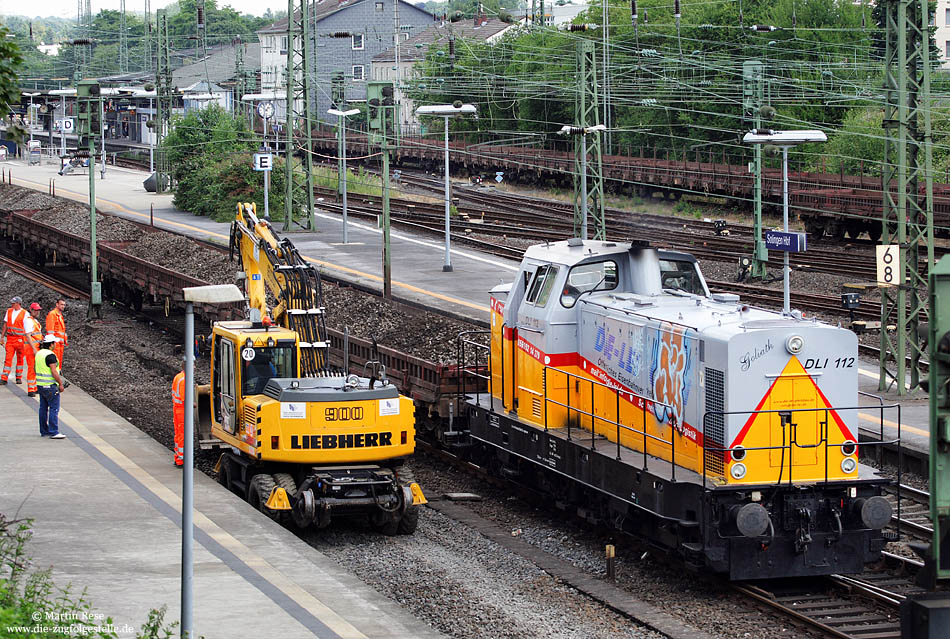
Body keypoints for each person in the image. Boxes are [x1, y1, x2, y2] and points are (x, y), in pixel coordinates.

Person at [35, 334, 66, 439]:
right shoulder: (50, 355)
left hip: (40, 385)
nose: (55, 345)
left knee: (43, 408)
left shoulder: (39, 354)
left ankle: (44, 430)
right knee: (54, 408)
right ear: (51, 344)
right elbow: (53, 371)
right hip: (50, 386)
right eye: (54, 343)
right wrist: (60, 384)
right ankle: (54, 431)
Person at [1, 296, 27, 385]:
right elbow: (5, 325)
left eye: (13, 303)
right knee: (8, 359)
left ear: (18, 303)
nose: (12, 304)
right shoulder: (9, 311)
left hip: (20, 340)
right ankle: (4, 378)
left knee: (20, 359)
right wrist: (2, 337)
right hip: (10, 339)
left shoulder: (25, 313)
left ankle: (18, 377)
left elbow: (27, 328)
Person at [23, 303, 44, 397]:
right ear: (31, 310)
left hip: (36, 347)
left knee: (35, 367)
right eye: (35, 310)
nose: (37, 312)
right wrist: (34, 349)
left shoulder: (34, 321)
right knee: (32, 367)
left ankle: (34, 387)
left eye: (38, 310)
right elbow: (28, 336)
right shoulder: (28, 321)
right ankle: (31, 389)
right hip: (31, 348)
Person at [46, 298, 67, 366]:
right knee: (55, 362)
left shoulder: (59, 315)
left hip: (60, 344)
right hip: (55, 344)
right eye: (61, 304)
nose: (63, 306)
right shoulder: (53, 314)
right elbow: (50, 331)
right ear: (57, 304)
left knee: (58, 362)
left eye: (64, 305)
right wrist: (52, 344)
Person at [172, 361, 185, 467]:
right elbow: (185, 398)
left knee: (178, 434)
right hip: (182, 411)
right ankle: (181, 460)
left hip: (177, 409)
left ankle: (178, 457)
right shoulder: (184, 379)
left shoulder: (178, 376)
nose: (194, 367)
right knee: (182, 435)